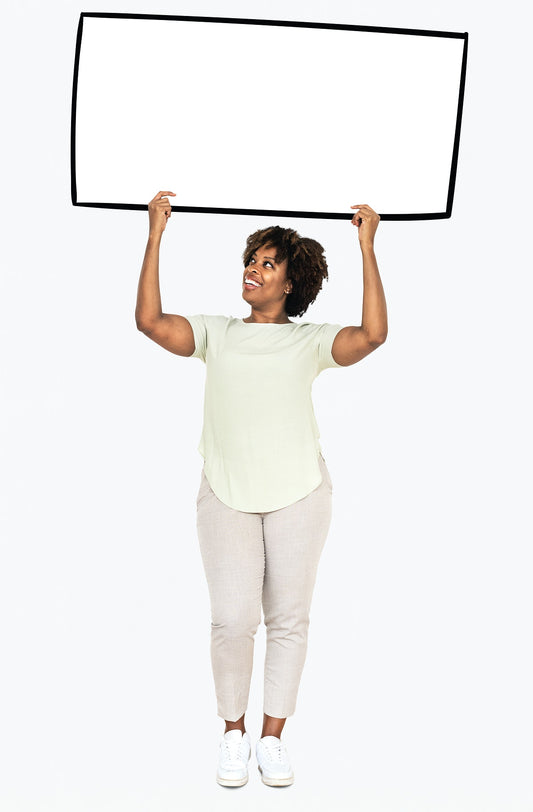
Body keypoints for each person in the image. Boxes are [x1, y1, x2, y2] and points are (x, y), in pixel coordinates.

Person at [135, 190, 388, 788]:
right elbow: (149, 322)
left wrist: (367, 248)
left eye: (268, 263)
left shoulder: (310, 340)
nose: (253, 268)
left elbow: (373, 335)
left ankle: (272, 740)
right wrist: (154, 237)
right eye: (252, 259)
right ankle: (233, 732)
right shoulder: (215, 332)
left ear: (290, 281)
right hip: (225, 490)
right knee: (231, 618)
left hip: (300, 492)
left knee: (289, 618)